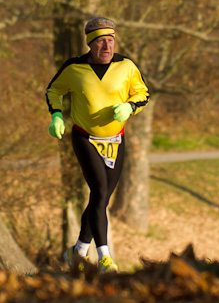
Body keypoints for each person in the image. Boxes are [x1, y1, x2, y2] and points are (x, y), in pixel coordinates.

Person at [46, 17, 149, 273]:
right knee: (100, 192)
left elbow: (142, 93)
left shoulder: (126, 66)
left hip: (116, 140)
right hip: (85, 138)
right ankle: (104, 257)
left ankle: (78, 251)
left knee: (100, 199)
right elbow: (53, 90)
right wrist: (56, 115)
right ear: (90, 44)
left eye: (111, 40)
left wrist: (130, 106)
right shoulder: (74, 68)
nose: (107, 46)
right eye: (101, 41)